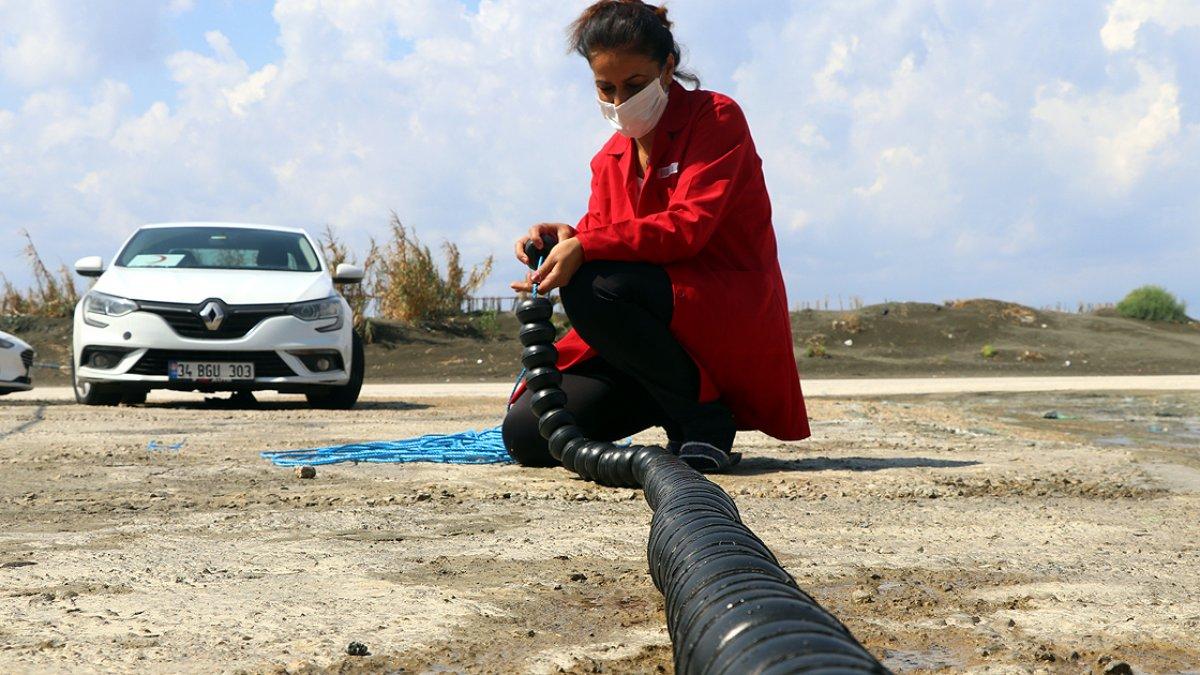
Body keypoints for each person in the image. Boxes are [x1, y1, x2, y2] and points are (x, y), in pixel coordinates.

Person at [503, 0, 808, 472]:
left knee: (592, 284)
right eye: (606, 88)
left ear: (668, 69)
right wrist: (568, 236)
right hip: (649, 340)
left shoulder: (717, 118)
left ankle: (705, 421)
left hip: (714, 312)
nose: (620, 101)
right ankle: (675, 401)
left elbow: (686, 228)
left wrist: (586, 245)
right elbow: (611, 234)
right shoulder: (609, 159)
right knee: (529, 434)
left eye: (634, 85)